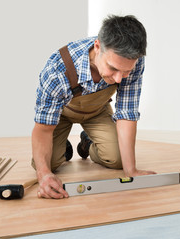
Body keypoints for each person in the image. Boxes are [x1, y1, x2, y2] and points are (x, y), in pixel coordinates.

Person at [32, 15, 156, 199]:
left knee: (118, 160)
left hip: (98, 111)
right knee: (46, 163)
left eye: (126, 71)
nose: (119, 79)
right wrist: (44, 175)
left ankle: (88, 141)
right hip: (61, 114)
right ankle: (62, 147)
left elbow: (126, 113)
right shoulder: (57, 70)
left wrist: (131, 171)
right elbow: (43, 129)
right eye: (112, 69)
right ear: (97, 47)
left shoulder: (132, 60)